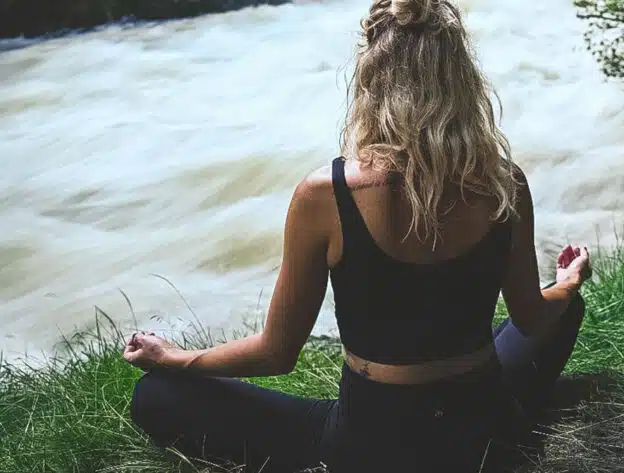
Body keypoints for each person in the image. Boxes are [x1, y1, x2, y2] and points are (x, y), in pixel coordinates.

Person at [123, 0, 592, 472]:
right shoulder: (502, 182)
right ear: (462, 79)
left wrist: (175, 358)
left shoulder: (326, 194)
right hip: (487, 427)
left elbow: (277, 352)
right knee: (563, 307)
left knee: (156, 395)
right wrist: (568, 282)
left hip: (369, 445)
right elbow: (531, 318)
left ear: (371, 80)